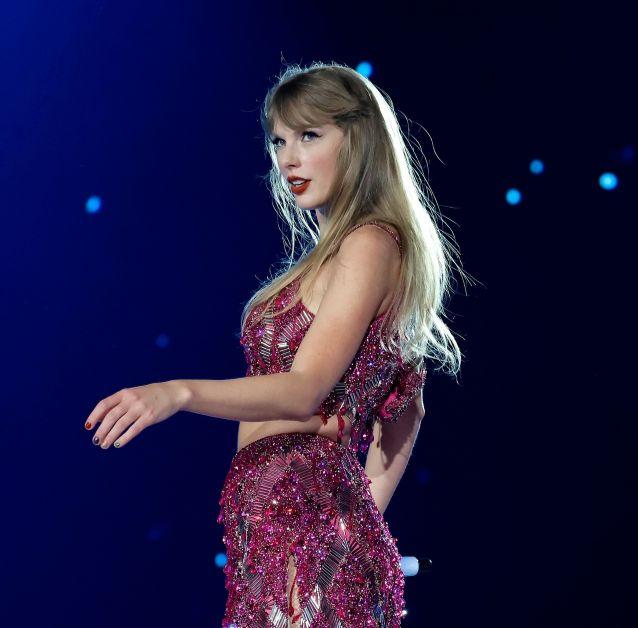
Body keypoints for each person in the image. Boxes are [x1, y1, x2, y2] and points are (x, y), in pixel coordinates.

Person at [84, 61, 469, 627]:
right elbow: (406, 407)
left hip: (301, 519)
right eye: (279, 140)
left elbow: (307, 392)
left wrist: (178, 392)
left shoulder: (370, 242)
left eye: (310, 135)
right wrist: (358, 527)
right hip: (276, 526)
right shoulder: (335, 254)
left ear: (357, 139)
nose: (288, 157)